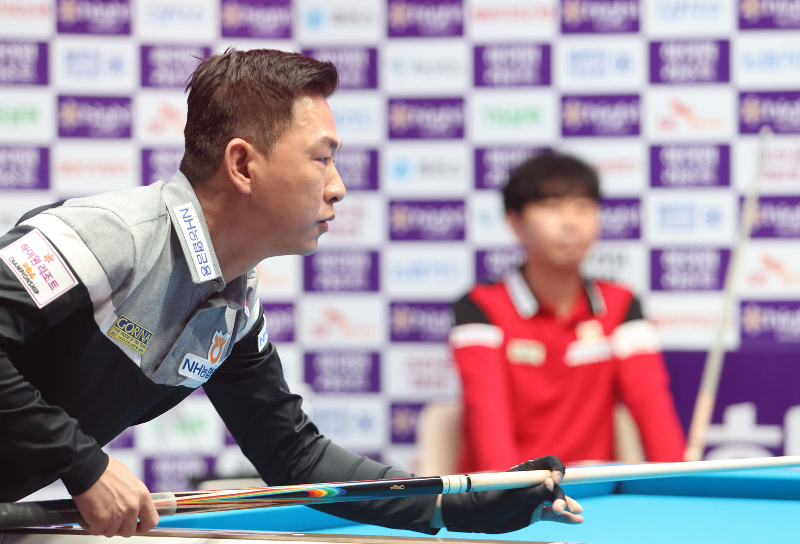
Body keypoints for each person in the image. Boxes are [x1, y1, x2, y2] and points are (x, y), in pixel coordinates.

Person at [0, 49, 583, 538]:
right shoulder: (112, 236)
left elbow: (295, 456)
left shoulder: (232, 309)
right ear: (243, 165)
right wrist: (84, 464)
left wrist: (460, 504)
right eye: (322, 158)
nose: (339, 187)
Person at [450, 153, 686, 472]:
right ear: (515, 223)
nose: (571, 222)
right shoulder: (480, 307)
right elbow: (488, 420)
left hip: (593, 500)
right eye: (551, 207)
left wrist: (681, 481)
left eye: (583, 208)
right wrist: (510, 502)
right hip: (508, 503)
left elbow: (652, 409)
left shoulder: (621, 304)